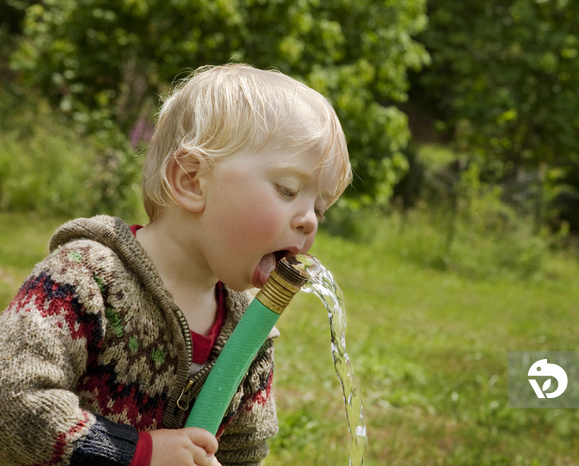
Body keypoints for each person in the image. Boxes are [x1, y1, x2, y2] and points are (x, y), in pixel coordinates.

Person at [0, 63, 352, 465]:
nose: (309, 220)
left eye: (320, 208)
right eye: (288, 189)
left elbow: (243, 452)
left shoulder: (249, 333)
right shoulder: (84, 279)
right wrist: (141, 454)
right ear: (190, 179)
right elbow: (11, 400)